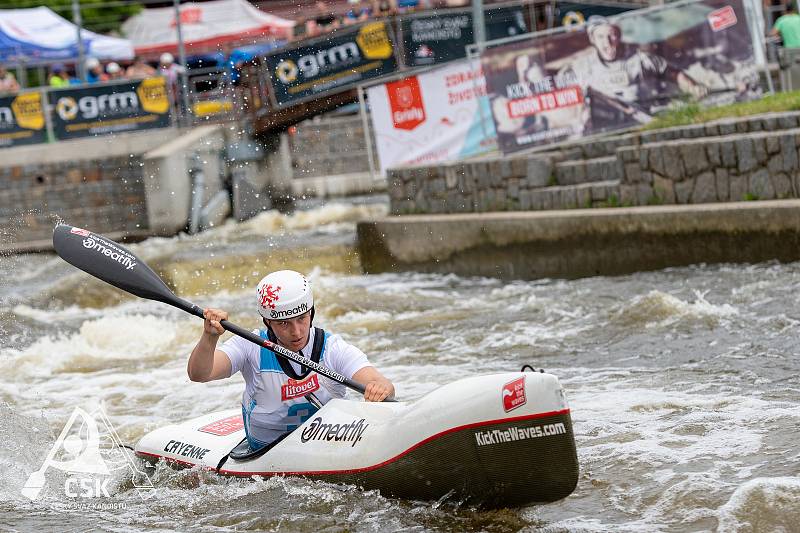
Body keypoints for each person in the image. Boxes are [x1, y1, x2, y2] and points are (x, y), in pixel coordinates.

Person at [187, 270, 395, 451]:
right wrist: (210, 336)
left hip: (329, 446)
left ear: (311, 313)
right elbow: (200, 374)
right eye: (283, 323)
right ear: (267, 321)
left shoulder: (332, 348)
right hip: (265, 451)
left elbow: (381, 384)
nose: (296, 332)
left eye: (301, 319)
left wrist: (380, 389)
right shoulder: (250, 345)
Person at [557, 16, 708, 130]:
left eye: (612, 36)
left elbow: (673, 73)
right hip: (603, 130)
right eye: (601, 37)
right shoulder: (582, 68)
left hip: (644, 123)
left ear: (619, 36)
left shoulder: (639, 60)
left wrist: (693, 87)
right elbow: (561, 92)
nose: (607, 42)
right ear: (592, 40)